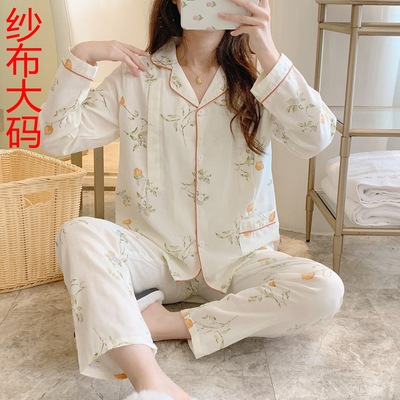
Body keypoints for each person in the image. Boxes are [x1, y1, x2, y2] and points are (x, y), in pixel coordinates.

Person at [39, 0, 344, 399]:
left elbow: (315, 138)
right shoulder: (137, 75)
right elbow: (56, 138)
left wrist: (266, 48)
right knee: (77, 233)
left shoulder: (260, 78)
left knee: (324, 288)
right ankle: (151, 382)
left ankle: (159, 323)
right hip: (155, 256)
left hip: (241, 258)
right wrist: (85, 55)